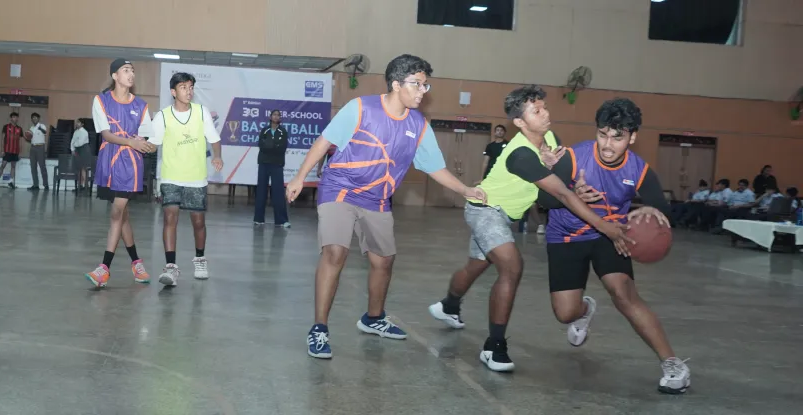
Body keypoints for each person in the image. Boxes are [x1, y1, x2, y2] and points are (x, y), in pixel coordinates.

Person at [286, 54, 486, 359]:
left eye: (425, 85)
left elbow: (435, 167)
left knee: (384, 262)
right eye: (416, 84)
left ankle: (373, 318)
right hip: (340, 188)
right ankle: (319, 328)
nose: (423, 91)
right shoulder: (361, 108)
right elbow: (324, 141)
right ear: (396, 84)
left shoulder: (418, 125)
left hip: (377, 198)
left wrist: (465, 189)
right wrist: (300, 176)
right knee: (335, 252)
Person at [427, 85, 632, 372]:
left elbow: (557, 189)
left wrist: (573, 183)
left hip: (504, 216)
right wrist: (605, 227)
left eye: (544, 107)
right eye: (536, 111)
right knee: (511, 266)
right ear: (519, 122)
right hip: (485, 210)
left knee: (475, 266)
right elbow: (560, 194)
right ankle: (494, 346)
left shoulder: (550, 138)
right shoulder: (520, 154)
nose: (545, 114)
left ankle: (449, 305)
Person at [533, 98, 690, 394]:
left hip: (610, 235)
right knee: (565, 314)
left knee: (624, 294)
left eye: (617, 137)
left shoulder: (639, 170)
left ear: (632, 137)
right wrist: (571, 192)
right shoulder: (573, 158)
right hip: (566, 236)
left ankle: (673, 364)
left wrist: (650, 210)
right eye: (603, 134)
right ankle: (584, 310)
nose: (607, 144)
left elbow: (662, 208)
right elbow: (544, 201)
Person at [84, 58, 155, 286]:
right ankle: (137, 263)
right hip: (109, 161)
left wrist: (145, 144)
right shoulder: (101, 101)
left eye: (132, 70)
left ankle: (104, 268)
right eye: (126, 70)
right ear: (115, 75)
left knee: (116, 213)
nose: (131, 74)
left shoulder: (141, 106)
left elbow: (145, 137)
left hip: (130, 164)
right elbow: (105, 134)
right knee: (123, 216)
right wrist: (131, 141)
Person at [149, 72, 223, 286]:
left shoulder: (201, 112)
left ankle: (200, 259)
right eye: (183, 87)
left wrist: (217, 156)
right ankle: (171, 267)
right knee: (169, 219)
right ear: (173, 92)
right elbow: (153, 144)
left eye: (190, 87)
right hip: (171, 176)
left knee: (198, 222)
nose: (188, 91)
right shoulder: (163, 116)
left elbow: (214, 139)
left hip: (196, 177)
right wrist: (139, 143)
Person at [254, 108, 290, 227]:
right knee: (261, 191)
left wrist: (270, 145)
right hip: (264, 163)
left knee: (278, 192)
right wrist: (273, 145)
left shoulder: (283, 131)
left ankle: (281, 220)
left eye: (278, 115)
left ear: (280, 118)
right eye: (274, 114)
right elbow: (261, 145)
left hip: (277, 164)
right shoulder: (265, 130)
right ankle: (258, 219)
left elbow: (282, 148)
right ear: (270, 117)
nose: (276, 116)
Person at [0, 112, 22, 188]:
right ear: (11, 118)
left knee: (13, 166)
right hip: (7, 150)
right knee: (3, 165)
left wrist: (20, 153)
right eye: (13, 117)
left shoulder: (19, 129)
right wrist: (2, 150)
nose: (15, 118)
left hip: (15, 151)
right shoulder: (6, 127)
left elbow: (20, 141)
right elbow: (2, 139)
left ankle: (10, 182)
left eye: (16, 117)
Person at [28, 113, 49, 191]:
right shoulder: (31, 128)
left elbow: (45, 132)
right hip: (33, 147)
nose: (34, 119)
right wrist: (26, 137)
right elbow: (30, 138)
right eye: (33, 118)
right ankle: (35, 185)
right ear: (31, 119)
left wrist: (40, 128)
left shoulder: (42, 126)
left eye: (36, 118)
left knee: (42, 166)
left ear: (38, 118)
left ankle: (46, 185)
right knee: (33, 167)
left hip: (40, 147)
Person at [70, 118, 91, 191]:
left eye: (78, 122)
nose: (77, 123)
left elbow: (80, 143)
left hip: (84, 150)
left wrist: (74, 145)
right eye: (76, 122)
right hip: (77, 150)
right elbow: (72, 140)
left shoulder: (84, 132)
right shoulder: (76, 132)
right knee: (78, 168)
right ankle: (80, 186)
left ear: (82, 124)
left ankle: (86, 185)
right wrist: (72, 149)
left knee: (83, 168)